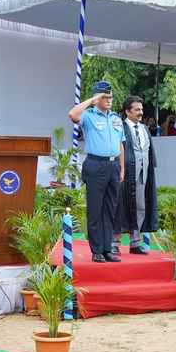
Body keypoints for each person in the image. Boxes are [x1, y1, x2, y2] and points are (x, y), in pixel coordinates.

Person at [69, 81, 124, 263]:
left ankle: (108, 249)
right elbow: (73, 114)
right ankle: (97, 250)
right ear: (97, 99)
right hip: (95, 164)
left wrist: (122, 168)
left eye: (110, 97)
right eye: (104, 97)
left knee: (110, 210)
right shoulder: (88, 116)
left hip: (113, 166)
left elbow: (120, 144)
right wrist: (91, 100)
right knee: (95, 209)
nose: (109, 100)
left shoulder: (116, 118)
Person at [115, 96, 158, 254]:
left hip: (142, 173)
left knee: (140, 206)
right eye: (137, 109)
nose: (141, 112)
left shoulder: (144, 128)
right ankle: (114, 242)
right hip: (124, 173)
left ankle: (135, 242)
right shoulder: (120, 127)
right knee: (120, 206)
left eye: (141, 109)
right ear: (127, 111)